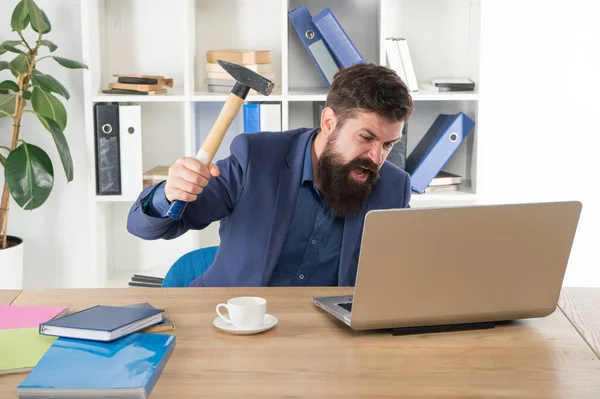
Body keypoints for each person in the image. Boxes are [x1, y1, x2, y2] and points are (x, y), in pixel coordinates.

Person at [127, 62, 413, 287]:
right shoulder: (256, 158)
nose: (377, 158)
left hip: (329, 340)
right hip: (233, 323)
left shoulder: (394, 187)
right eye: (366, 137)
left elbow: (402, 275)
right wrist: (168, 193)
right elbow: (146, 227)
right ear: (329, 122)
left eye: (388, 144)